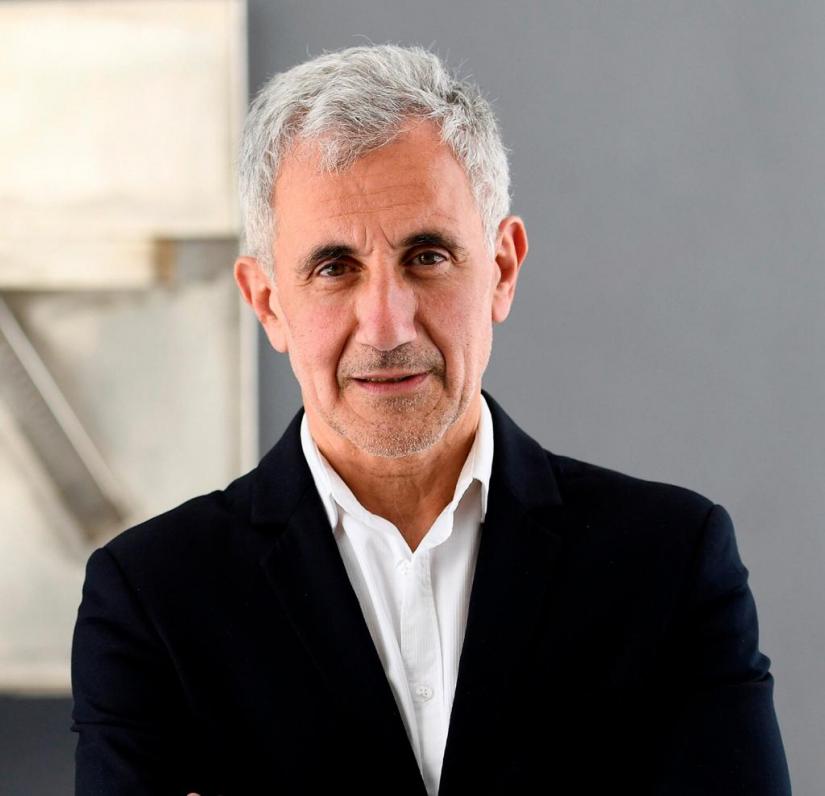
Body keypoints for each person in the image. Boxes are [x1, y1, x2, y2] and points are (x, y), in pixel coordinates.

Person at [71, 44, 791, 795]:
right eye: (333, 268)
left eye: (426, 256)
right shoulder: (151, 600)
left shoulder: (670, 563)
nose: (386, 325)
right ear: (267, 302)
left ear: (502, 269)